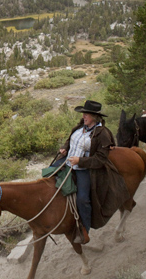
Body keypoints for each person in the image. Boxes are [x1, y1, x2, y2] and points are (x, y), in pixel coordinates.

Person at [52, 100, 130, 244]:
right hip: (68, 161)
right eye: (83, 113)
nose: (84, 116)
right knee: (48, 176)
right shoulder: (79, 127)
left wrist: (80, 161)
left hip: (85, 169)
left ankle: (84, 230)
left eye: (86, 114)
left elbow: (100, 159)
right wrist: (65, 148)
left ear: (95, 116)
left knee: (83, 199)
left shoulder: (103, 134)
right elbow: (71, 141)